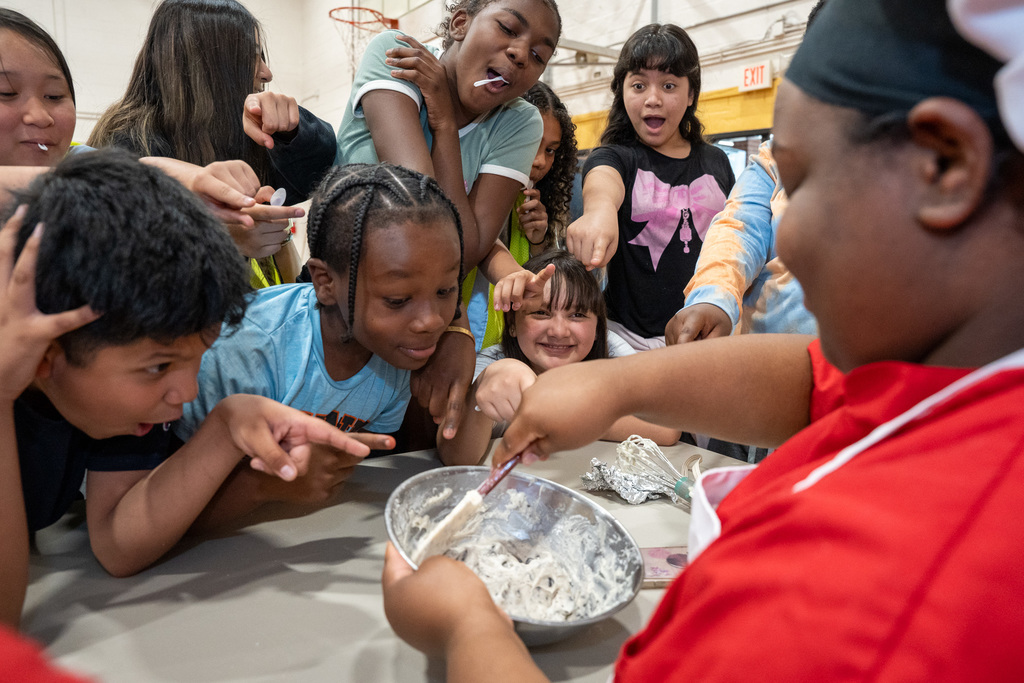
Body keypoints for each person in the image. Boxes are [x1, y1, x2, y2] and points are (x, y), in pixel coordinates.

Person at [381, 0, 1024, 678]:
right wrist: (616, 382)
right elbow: (815, 381)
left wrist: (469, 627)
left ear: (945, 166)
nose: (784, 249)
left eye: (798, 189)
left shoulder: (858, 612)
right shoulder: (962, 373)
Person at [0, 150, 389, 629]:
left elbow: (119, 545)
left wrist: (227, 424)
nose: (184, 392)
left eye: (197, 357)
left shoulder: (118, 399)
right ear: (46, 353)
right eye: (160, 365)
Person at [335, 0, 562, 442]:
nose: (520, 54)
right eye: (508, 29)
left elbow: (473, 246)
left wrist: (442, 123)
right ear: (460, 23)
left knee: (417, 456)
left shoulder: (519, 122)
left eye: (539, 54)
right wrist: (456, 322)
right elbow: (417, 215)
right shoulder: (395, 54)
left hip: (428, 321)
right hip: (347, 310)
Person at [177, 163, 464, 472]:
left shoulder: (397, 353)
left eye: (446, 291)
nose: (431, 321)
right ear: (325, 282)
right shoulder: (249, 351)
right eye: (397, 300)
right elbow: (183, 485)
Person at [87, 0, 335, 287]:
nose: (267, 73)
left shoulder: (238, 132)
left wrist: (290, 130)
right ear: (212, 65)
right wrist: (224, 237)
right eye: (251, 57)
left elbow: (320, 168)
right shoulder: (127, 139)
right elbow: (123, 262)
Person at [0, 7, 265, 225]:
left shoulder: (77, 159)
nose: (40, 116)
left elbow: (136, 170)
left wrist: (197, 179)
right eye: (6, 92)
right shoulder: (125, 141)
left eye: (55, 96)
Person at [566, 23, 735, 351]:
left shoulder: (717, 161)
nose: (653, 99)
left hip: (701, 334)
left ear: (691, 95)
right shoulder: (615, 156)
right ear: (623, 92)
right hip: (625, 338)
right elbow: (602, 185)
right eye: (639, 85)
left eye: (669, 85)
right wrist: (598, 214)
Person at [439, 250, 679, 465]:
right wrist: (484, 385)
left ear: (598, 327)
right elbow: (455, 456)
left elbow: (668, 427)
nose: (559, 331)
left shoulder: (612, 352)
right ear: (512, 324)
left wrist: (558, 413)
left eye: (577, 314)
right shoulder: (492, 366)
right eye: (541, 313)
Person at [462, 81, 578, 350]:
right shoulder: (468, 187)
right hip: (459, 337)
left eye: (550, 150)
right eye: (531, 143)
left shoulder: (539, 206)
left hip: (507, 345)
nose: (539, 160)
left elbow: (543, 289)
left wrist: (539, 241)